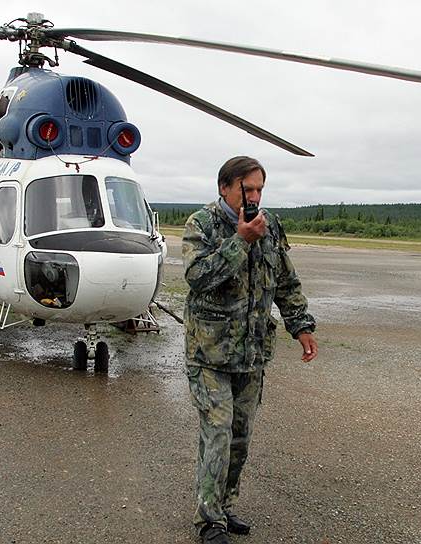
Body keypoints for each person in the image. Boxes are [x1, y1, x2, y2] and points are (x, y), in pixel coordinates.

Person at [183, 156, 318, 544]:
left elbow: (286, 281)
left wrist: (301, 326)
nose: (255, 196)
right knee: (218, 434)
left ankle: (224, 507)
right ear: (225, 187)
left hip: (252, 353)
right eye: (248, 189)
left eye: (260, 189)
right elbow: (197, 278)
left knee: (240, 437)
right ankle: (208, 520)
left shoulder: (270, 226)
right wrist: (240, 240)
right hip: (208, 354)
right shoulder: (202, 225)